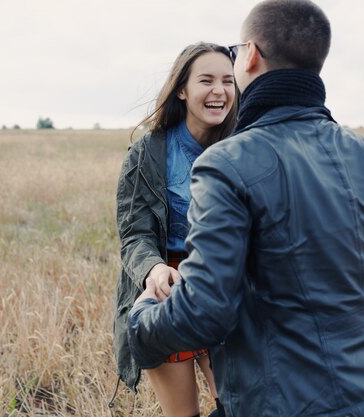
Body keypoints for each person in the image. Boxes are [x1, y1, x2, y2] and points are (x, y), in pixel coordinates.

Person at [127, 1, 364, 417]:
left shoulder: (226, 163)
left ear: (250, 54)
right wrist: (353, 292)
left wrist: (141, 318)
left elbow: (204, 314)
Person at [114, 42, 237, 417]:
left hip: (224, 289)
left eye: (229, 81)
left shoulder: (243, 148)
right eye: (207, 80)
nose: (220, 91)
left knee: (238, 407)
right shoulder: (146, 154)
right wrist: (153, 270)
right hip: (166, 291)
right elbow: (135, 234)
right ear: (182, 90)